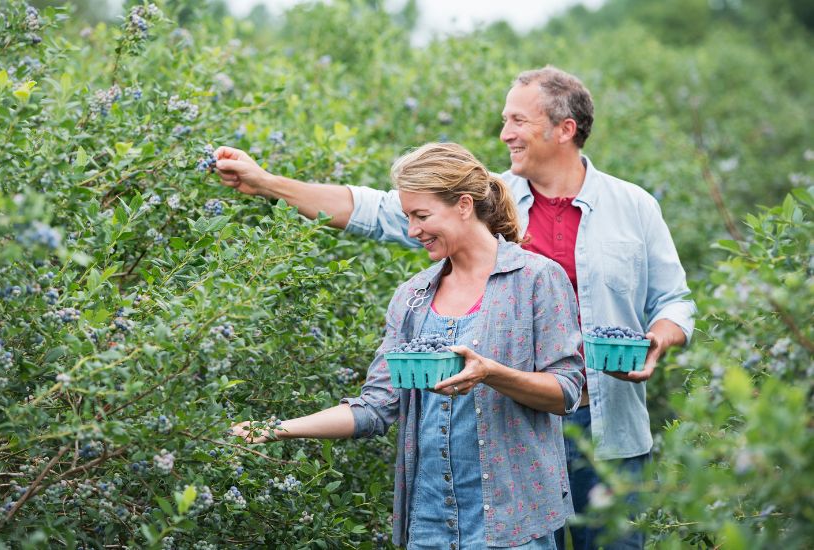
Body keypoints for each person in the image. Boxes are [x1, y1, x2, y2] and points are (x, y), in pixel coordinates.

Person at [215, 66, 696, 549]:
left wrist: (657, 339)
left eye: (518, 121)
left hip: (602, 418)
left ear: (564, 129)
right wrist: (267, 183)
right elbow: (374, 210)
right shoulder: (473, 216)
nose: (504, 133)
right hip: (496, 437)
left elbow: (673, 301)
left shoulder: (628, 208)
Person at [231, 142, 585, 549]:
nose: (413, 230)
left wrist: (491, 373)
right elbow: (376, 407)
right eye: (407, 218)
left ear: (464, 205)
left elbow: (566, 392)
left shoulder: (536, 279)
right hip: (431, 519)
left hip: (513, 521)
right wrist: (274, 430)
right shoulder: (414, 296)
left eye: (422, 216)